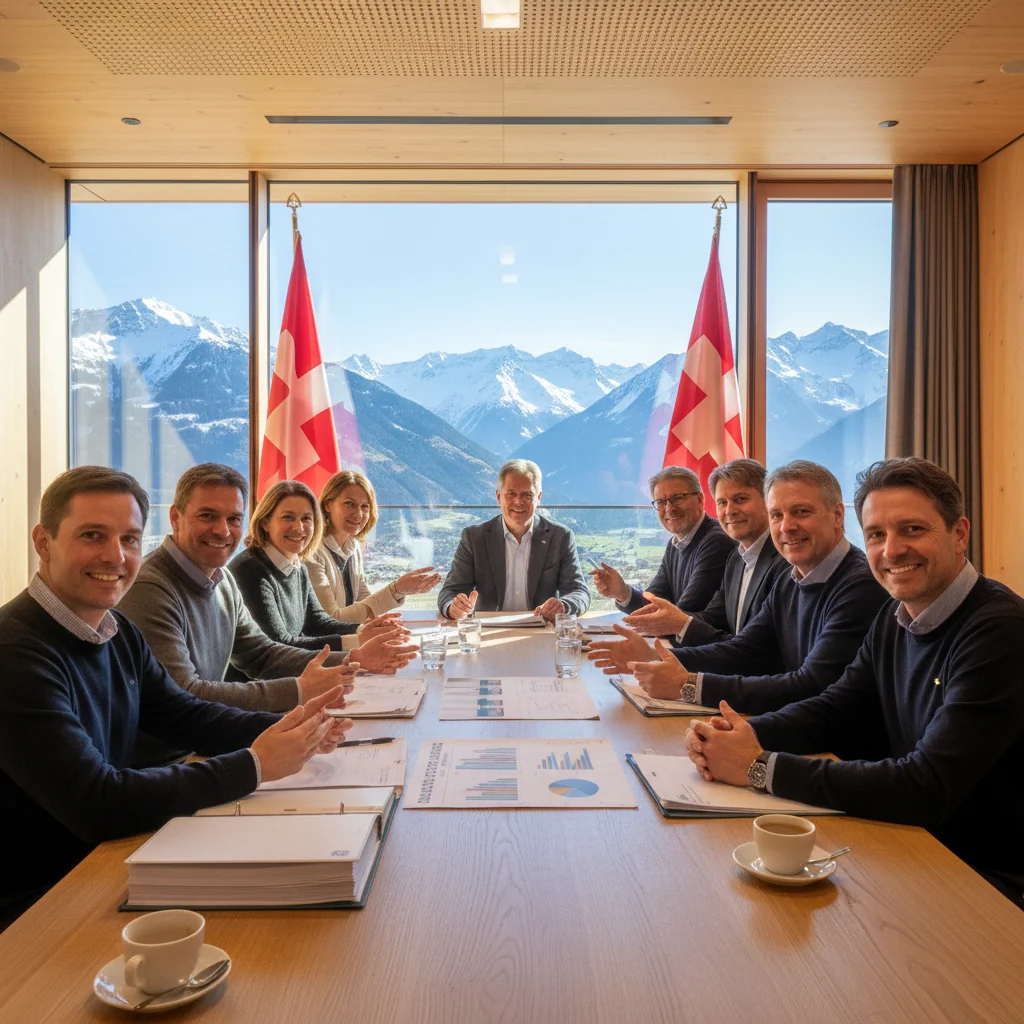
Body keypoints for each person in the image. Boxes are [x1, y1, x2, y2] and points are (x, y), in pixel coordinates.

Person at [0, 467, 353, 929]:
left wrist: (292, 728)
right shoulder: (16, 654)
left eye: (129, 539)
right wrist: (256, 764)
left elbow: (181, 713)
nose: (116, 555)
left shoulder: (115, 629)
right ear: (43, 542)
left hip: (112, 858)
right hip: (44, 899)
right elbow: (97, 803)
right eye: (92, 535)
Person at [685, 458, 1024, 906]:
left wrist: (758, 766)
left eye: (913, 530)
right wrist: (745, 735)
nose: (892, 550)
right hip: (910, 847)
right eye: (877, 535)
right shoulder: (895, 614)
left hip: (983, 877)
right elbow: (835, 706)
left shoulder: (999, 630)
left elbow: (927, 785)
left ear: (959, 534)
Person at [118, 465, 407, 766]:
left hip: (209, 742)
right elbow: (187, 694)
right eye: (208, 516)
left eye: (233, 519)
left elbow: (261, 654)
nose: (222, 530)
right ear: (175, 517)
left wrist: (353, 659)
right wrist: (299, 690)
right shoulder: (151, 588)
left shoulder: (221, 579)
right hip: (167, 764)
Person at [588, 461, 888, 716]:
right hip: (783, 717)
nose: (786, 527)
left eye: (801, 512)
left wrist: (689, 685)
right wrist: (658, 658)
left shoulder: (859, 585)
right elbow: (746, 648)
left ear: (838, 515)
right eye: (778, 515)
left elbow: (811, 684)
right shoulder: (792, 576)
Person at [230, 480, 418, 667]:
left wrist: (364, 629)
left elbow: (317, 622)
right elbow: (280, 646)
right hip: (256, 688)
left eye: (306, 518)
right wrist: (357, 640)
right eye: (288, 517)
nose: (299, 527)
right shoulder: (252, 571)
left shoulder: (296, 563)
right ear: (265, 523)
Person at [622, 458, 788, 644]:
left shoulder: (786, 561)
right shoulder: (738, 558)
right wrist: (673, 625)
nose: (730, 510)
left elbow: (752, 649)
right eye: (722, 502)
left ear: (768, 500)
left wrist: (674, 632)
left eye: (740, 499)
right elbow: (713, 617)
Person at [437, 459, 590, 621]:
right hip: (488, 631)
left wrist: (564, 606)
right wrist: (452, 608)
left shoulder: (561, 537)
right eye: (511, 494)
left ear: (538, 497)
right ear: (498, 496)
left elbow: (579, 591)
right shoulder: (474, 537)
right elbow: (450, 591)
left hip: (541, 631)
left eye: (527, 494)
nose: (518, 501)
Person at [589, 466, 735, 620]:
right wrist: (622, 592)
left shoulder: (717, 542)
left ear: (700, 500)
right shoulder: (675, 544)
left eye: (678, 498)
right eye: (661, 502)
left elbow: (679, 617)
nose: (669, 508)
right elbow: (654, 602)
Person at [308, 469, 441, 622]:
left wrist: (397, 595)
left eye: (365, 506)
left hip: (348, 637)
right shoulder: (313, 553)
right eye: (349, 504)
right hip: (326, 643)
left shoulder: (354, 546)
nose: (358, 514)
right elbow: (331, 619)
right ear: (327, 505)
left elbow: (363, 598)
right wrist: (396, 589)